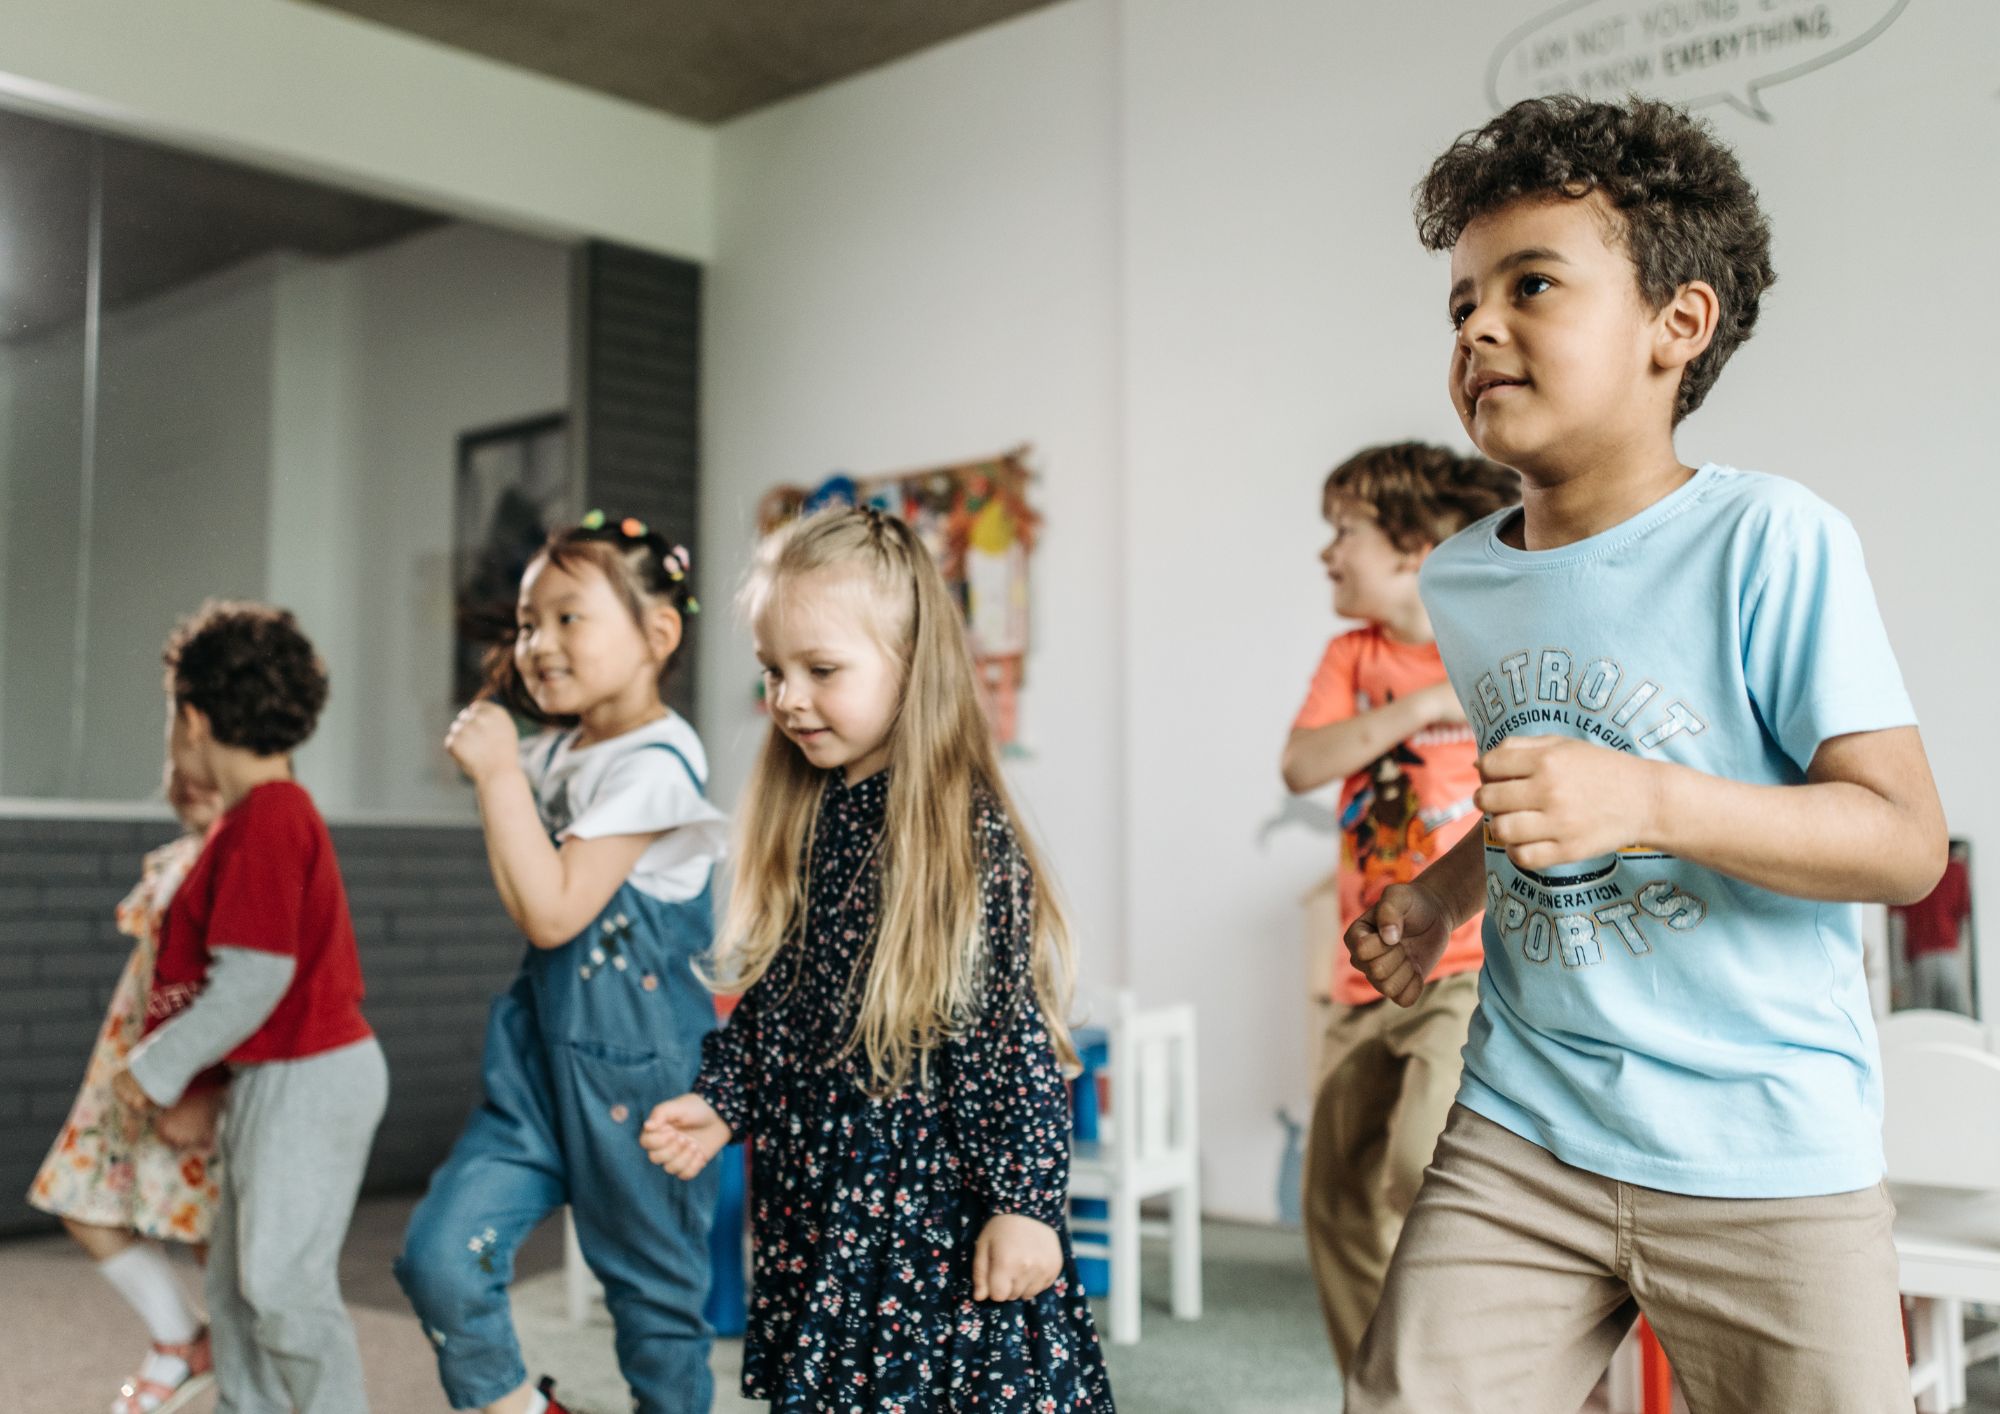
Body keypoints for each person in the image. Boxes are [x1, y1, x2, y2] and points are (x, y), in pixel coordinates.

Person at [1341, 95, 1948, 1413]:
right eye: (1460, 302)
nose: (1478, 325)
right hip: (1526, 1123)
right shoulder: (1465, 578)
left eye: (1532, 283)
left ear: (1677, 325)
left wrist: (1655, 801)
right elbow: (1541, 796)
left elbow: (1900, 841)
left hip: (1768, 1151)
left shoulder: (1773, 540)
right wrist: (1442, 892)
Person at [641, 506, 1114, 1412]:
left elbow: (1005, 1040)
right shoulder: (818, 817)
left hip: (928, 1221)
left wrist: (1024, 1201)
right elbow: (781, 1002)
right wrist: (722, 1099)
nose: (787, 698)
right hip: (825, 1198)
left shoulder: (962, 840)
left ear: (912, 668)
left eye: (821, 670)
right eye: (773, 671)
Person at [396, 513, 726, 1414]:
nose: (537, 643)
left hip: (643, 1081)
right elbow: (524, 891)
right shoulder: (553, 753)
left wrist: (499, 778)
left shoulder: (658, 765)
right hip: (539, 1067)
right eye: (527, 622)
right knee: (438, 1256)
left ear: (658, 635)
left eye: (568, 618)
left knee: (656, 1315)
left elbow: (550, 912)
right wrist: (505, 772)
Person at [1280, 441, 1517, 1373]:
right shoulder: (1354, 655)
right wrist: (1418, 711)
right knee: (1334, 1196)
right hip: (1359, 967)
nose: (1326, 552)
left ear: (1415, 546)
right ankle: (1379, 1385)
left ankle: (1467, 1368)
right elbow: (1302, 765)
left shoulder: (1490, 645)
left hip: (1459, 964)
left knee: (1420, 1165)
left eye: (1345, 532)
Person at [119, 601, 388, 1414]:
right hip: (277, 1075)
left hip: (311, 1075)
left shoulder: (270, 821)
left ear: (192, 719)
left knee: (280, 1287)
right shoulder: (250, 820)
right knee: (237, 1290)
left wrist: (157, 1071)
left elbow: (252, 980)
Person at [30, 764, 226, 1414]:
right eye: (182, 759)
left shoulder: (242, 863)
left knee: (213, 1231)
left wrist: (197, 1084)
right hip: (130, 1068)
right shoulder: (176, 858)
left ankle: (230, 1363)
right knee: (80, 1201)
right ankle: (180, 1339)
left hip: (192, 1079)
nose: (192, 777)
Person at [1893, 838, 1974, 1014]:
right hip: (1949, 950)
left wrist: (1897, 970)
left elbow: (1897, 917)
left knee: (1924, 1014)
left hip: (1921, 953)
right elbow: (1963, 914)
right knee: (1957, 1014)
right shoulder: (1957, 870)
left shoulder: (1913, 871)